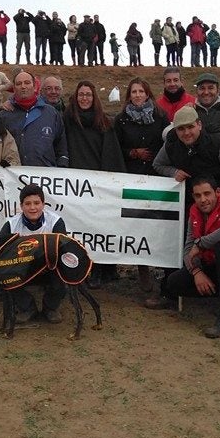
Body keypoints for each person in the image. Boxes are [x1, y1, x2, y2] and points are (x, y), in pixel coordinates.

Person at [146, 179, 220, 339]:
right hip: (219, 265)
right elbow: (188, 248)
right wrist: (196, 272)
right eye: (198, 195)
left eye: (207, 193)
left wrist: (201, 243)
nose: (203, 199)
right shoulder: (194, 211)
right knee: (174, 282)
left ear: (217, 192)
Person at [0, 183, 67, 324]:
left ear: (43, 204)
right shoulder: (11, 225)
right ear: (21, 206)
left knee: (65, 269)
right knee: (1, 272)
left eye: (36, 203)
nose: (33, 207)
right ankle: (27, 307)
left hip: (48, 268)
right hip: (22, 269)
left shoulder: (56, 222)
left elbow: (63, 250)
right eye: (28, 204)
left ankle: (50, 307)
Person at [64, 81, 126, 288]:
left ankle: (102, 268)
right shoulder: (68, 120)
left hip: (98, 186)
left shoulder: (105, 124)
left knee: (99, 228)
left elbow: (111, 155)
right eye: (81, 94)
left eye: (88, 95)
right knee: (79, 228)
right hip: (75, 185)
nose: (84, 98)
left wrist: (108, 183)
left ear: (94, 98)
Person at [114, 78, 169, 291]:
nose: (137, 95)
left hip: (157, 176)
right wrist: (133, 152)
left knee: (158, 223)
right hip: (132, 176)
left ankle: (164, 269)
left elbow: (168, 142)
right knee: (138, 224)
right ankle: (143, 270)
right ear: (129, 95)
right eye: (134, 92)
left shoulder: (161, 117)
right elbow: (116, 147)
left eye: (141, 91)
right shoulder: (121, 120)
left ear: (147, 94)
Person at [152, 106, 220, 200]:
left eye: (190, 127)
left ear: (199, 125)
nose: (186, 133)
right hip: (188, 199)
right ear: (175, 130)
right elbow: (158, 164)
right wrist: (173, 172)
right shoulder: (171, 143)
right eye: (181, 129)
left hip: (219, 198)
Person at [0, 70, 68, 167]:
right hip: (13, 177)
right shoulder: (4, 115)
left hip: (45, 176)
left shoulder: (51, 113)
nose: (23, 86)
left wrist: (62, 167)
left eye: (27, 83)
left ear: (35, 86)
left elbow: (61, 145)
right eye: (19, 84)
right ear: (14, 88)